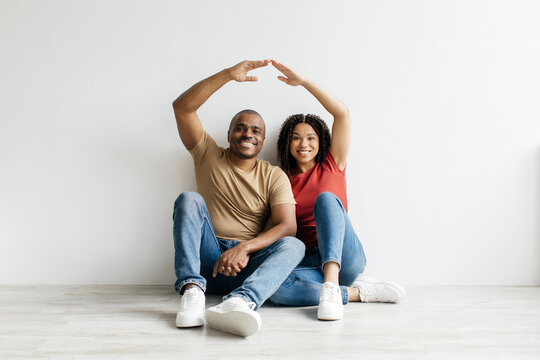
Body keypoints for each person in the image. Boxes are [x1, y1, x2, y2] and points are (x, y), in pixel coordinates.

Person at [171, 60, 305, 337]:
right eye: (241, 128)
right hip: (208, 258)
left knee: (293, 244)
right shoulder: (207, 153)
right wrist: (228, 75)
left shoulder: (274, 175)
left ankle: (242, 300)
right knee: (188, 199)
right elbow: (182, 107)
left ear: (263, 139)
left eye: (256, 130)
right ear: (229, 134)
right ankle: (192, 292)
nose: (248, 134)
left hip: (247, 263)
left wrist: (244, 249)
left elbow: (286, 226)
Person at [268, 60, 406, 321]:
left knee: (326, 199)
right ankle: (357, 293)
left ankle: (332, 285)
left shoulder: (333, 163)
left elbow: (342, 113)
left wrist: (304, 82)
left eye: (311, 137)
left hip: (346, 257)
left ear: (321, 141)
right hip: (310, 261)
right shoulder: (280, 179)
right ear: (287, 143)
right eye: (296, 137)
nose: (303, 143)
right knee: (277, 291)